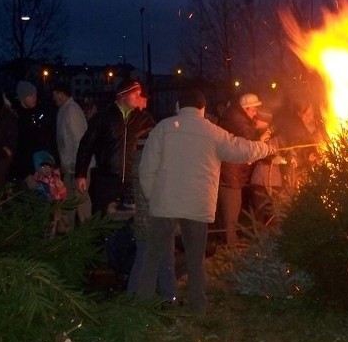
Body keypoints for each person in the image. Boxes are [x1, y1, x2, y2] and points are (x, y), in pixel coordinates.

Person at [130, 88, 276, 314]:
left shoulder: (163, 129)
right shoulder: (213, 132)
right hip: (198, 206)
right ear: (203, 108)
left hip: (164, 205)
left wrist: (153, 198)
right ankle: (198, 308)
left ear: (178, 106)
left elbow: (146, 169)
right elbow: (241, 149)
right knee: (195, 261)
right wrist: (266, 148)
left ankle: (141, 307)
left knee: (152, 257)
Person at [75, 79, 155, 216]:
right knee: (103, 219)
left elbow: (157, 137)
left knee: (127, 223)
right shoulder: (103, 118)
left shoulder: (143, 119)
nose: (138, 97)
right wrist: (81, 174)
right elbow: (86, 145)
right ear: (122, 95)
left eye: (139, 94)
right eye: (135, 94)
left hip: (131, 182)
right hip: (106, 181)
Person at [217, 93, 271, 246]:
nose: (255, 114)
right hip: (230, 173)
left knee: (230, 210)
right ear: (246, 109)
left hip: (231, 172)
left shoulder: (236, 117)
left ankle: (228, 240)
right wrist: (261, 140)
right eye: (254, 110)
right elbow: (249, 144)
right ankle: (230, 244)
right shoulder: (238, 120)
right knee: (231, 209)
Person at [52, 82, 92, 225]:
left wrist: (79, 167)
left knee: (81, 201)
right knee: (69, 201)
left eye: (55, 95)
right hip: (70, 167)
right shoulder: (64, 110)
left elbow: (80, 140)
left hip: (77, 166)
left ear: (61, 94)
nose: (53, 98)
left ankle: (88, 233)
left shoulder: (72, 111)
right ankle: (69, 233)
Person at [11, 80, 57, 181]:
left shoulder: (40, 114)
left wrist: (49, 162)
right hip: (25, 172)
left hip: (42, 167)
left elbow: (48, 140)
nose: (34, 98)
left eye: (35, 95)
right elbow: (18, 149)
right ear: (23, 97)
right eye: (30, 95)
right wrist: (26, 174)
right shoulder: (16, 120)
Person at [280, 100, 327, 189]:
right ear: (299, 114)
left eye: (311, 113)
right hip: (302, 171)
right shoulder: (296, 128)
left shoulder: (319, 127)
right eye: (306, 114)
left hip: (320, 169)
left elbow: (326, 141)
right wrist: (308, 154)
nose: (309, 117)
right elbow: (297, 144)